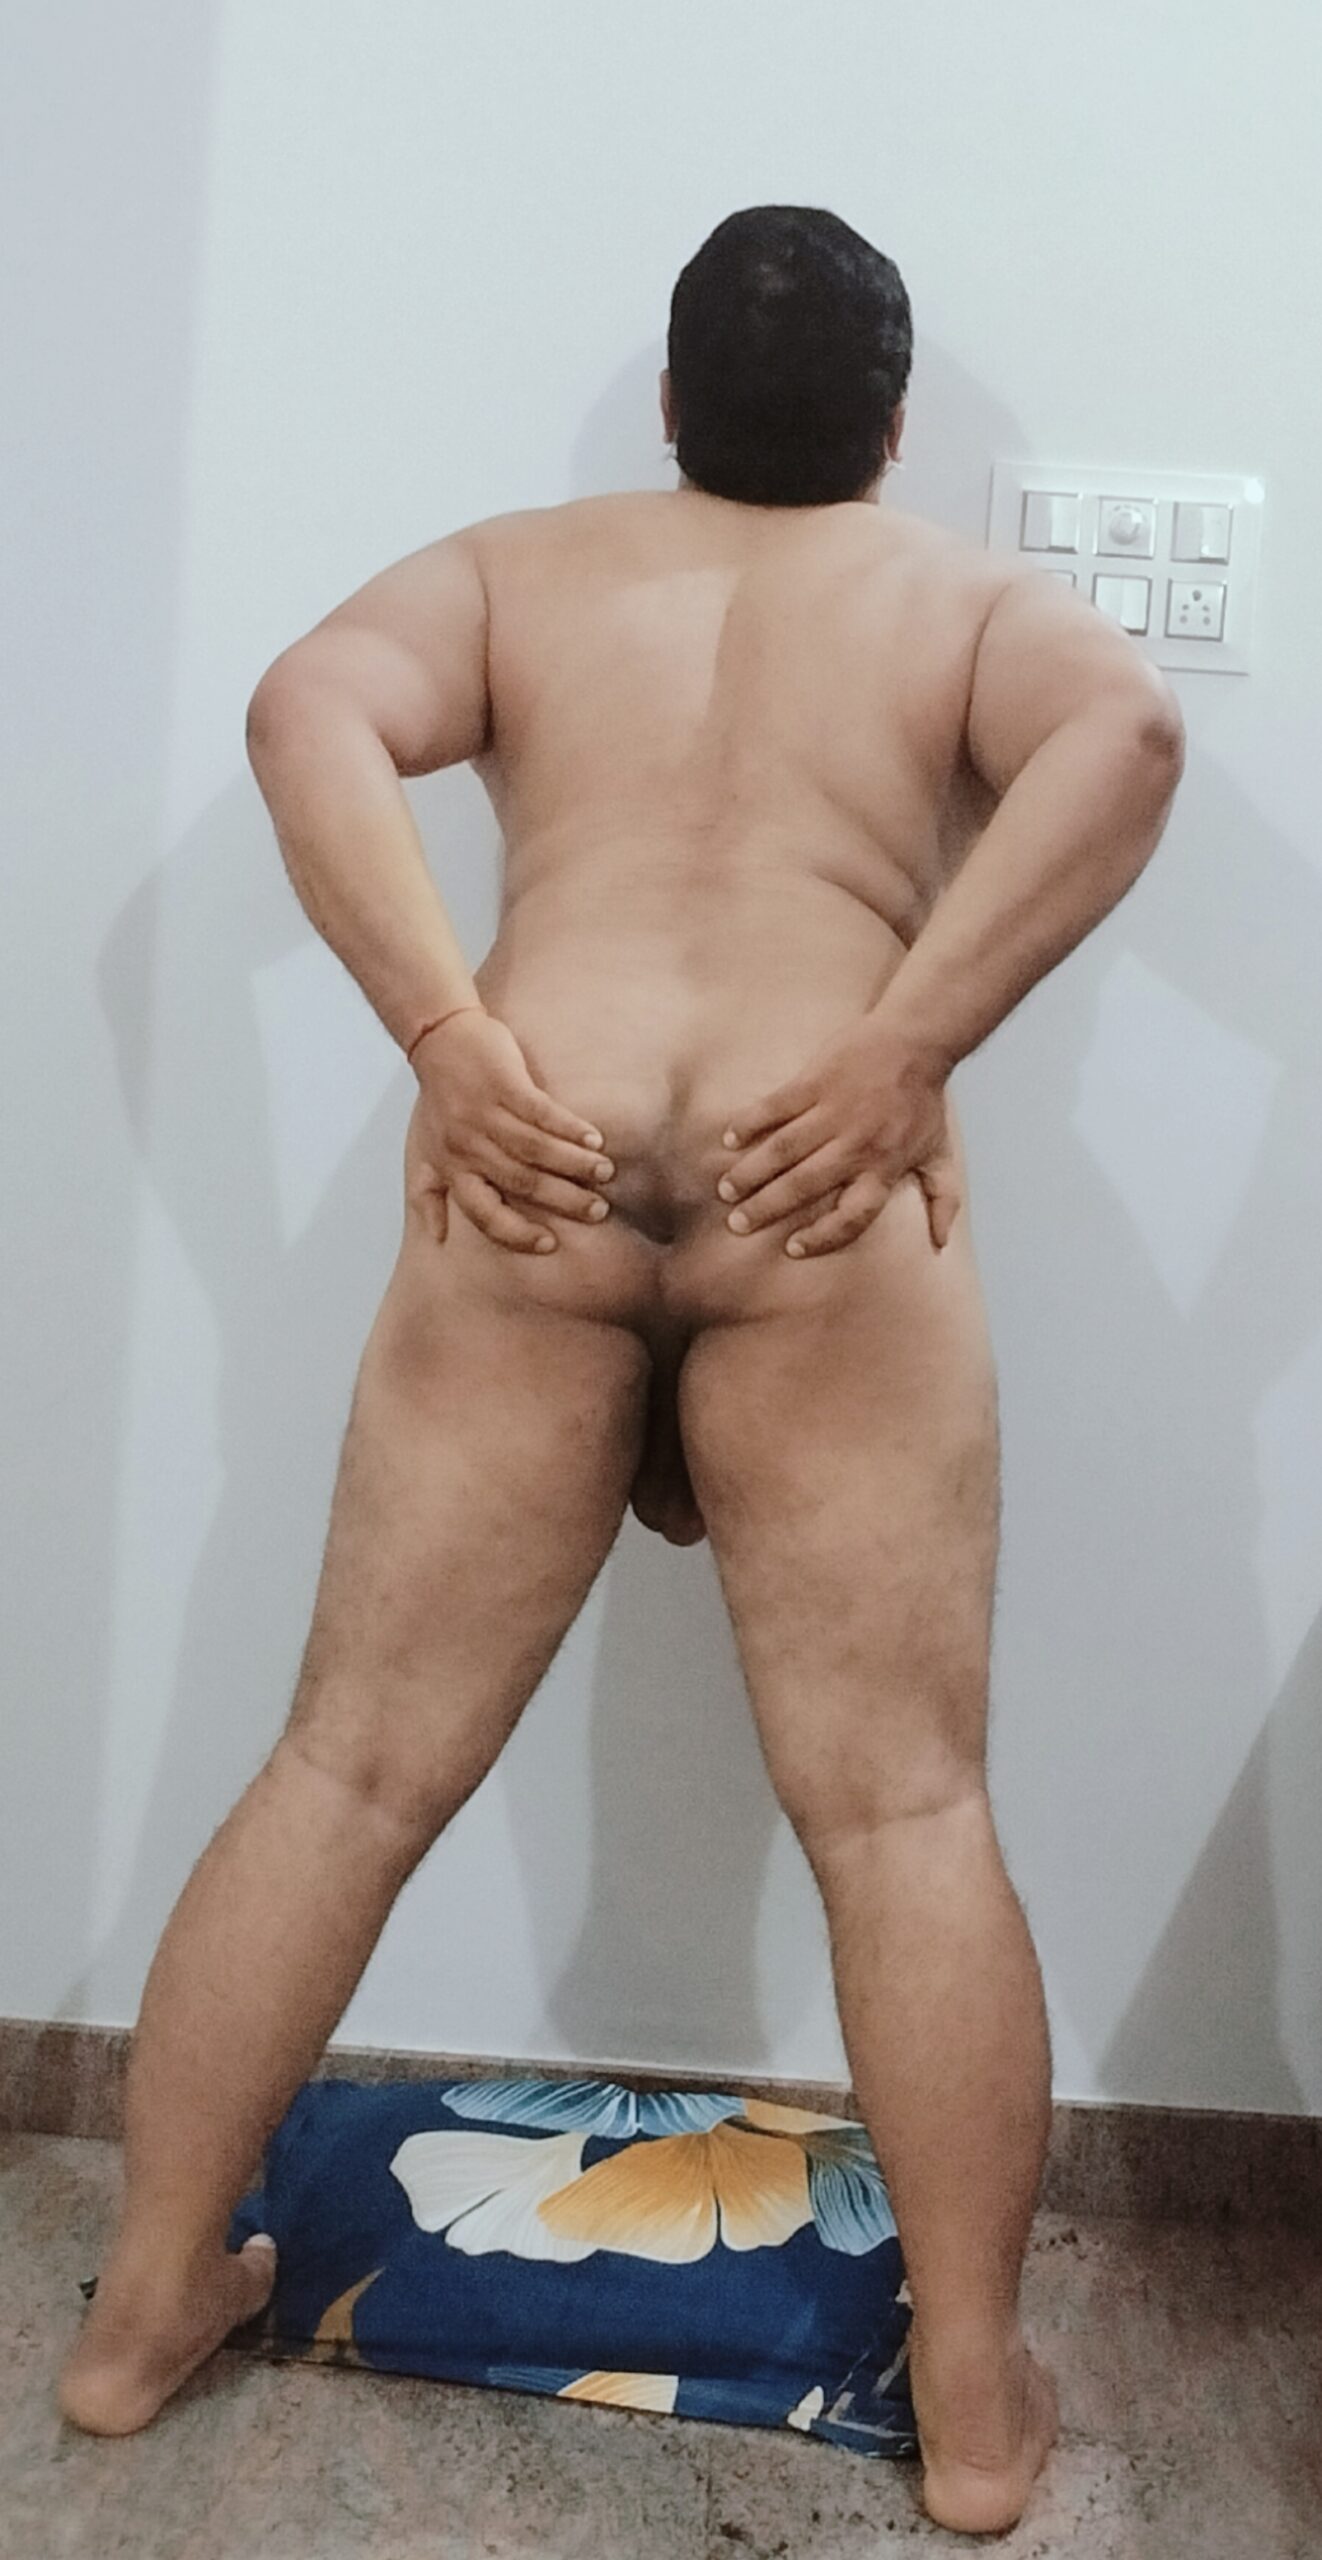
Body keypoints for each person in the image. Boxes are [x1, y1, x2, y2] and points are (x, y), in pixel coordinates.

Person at [59, 205, 1184, 2533]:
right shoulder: (959, 603)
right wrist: (901, 1045)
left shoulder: (515, 568)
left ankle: (141, 2304)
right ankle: (976, 2406)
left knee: (349, 1761)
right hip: (816, 1186)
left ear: (671, 402)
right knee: (902, 1809)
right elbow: (1130, 735)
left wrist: (452, 1034)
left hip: (534, 1165)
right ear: (890, 425)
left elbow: (301, 707)